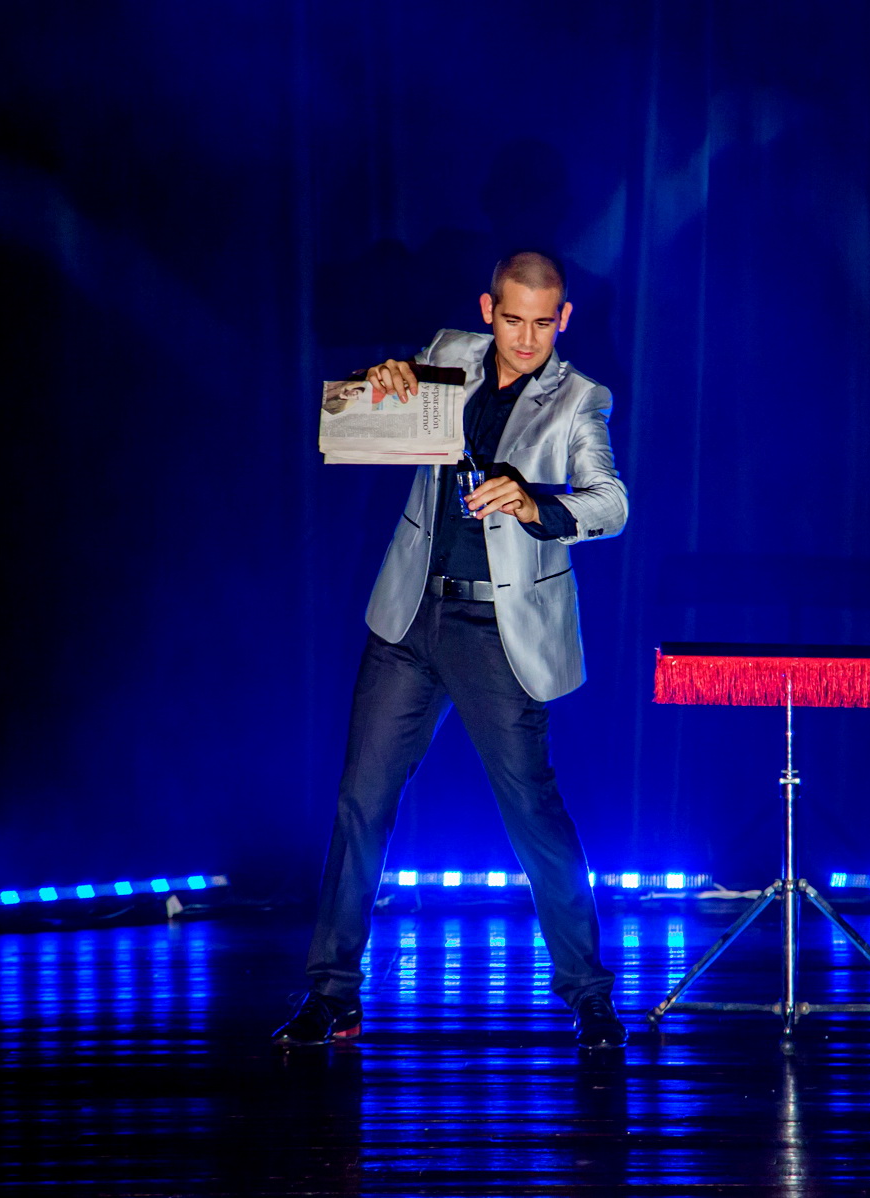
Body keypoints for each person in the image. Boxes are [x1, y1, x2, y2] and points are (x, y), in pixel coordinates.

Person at [273, 251, 629, 1051]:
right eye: (513, 319)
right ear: (487, 309)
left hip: (498, 632)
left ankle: (590, 996)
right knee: (361, 803)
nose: (526, 338)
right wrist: (385, 381)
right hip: (409, 618)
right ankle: (332, 995)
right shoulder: (447, 354)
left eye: (543, 323)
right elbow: (380, 413)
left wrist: (536, 502)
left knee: (532, 813)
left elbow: (611, 502)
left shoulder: (580, 399)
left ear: (564, 318)